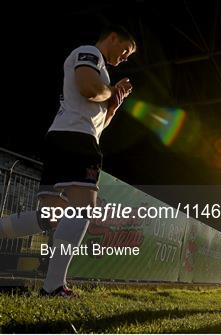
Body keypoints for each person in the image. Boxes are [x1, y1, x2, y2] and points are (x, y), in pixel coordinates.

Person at [0, 25, 136, 297]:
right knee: (83, 210)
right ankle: (53, 286)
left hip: (67, 137)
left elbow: (97, 125)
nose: (125, 57)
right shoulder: (89, 52)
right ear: (112, 37)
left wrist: (113, 106)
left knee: (50, 217)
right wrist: (109, 90)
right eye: (126, 50)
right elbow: (88, 87)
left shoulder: (102, 72)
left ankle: (51, 283)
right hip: (76, 140)